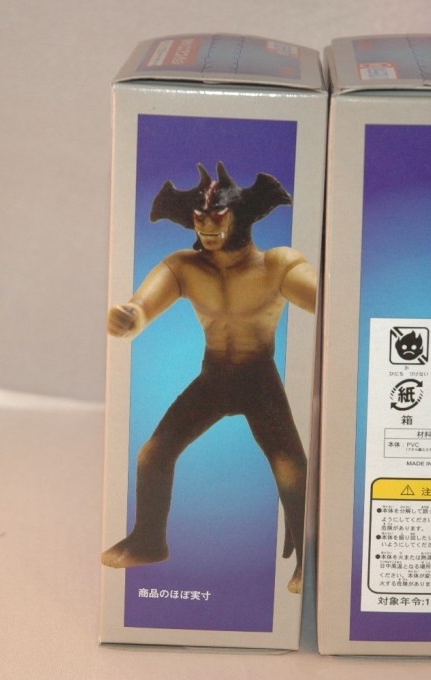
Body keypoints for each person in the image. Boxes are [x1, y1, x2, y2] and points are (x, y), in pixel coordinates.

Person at [101, 162, 316, 594]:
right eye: (200, 218)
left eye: (217, 216)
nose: (207, 227)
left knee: (290, 467)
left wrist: (337, 299)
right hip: (214, 377)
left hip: (259, 379)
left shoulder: (277, 265)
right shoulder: (184, 267)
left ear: (240, 215)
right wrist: (128, 318)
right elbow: (141, 307)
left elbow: (327, 299)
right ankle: (149, 541)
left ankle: (308, 562)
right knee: (152, 455)